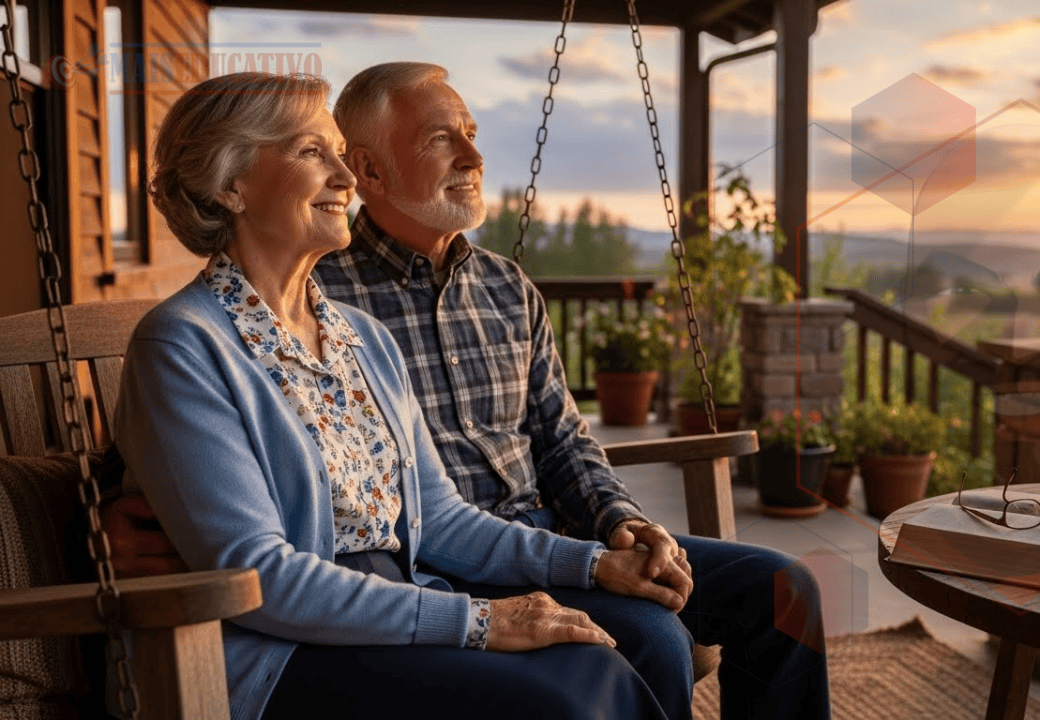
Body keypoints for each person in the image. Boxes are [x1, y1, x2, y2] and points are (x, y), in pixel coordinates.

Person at [110, 62, 830, 720]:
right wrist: (485, 620)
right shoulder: (186, 343)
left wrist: (601, 548)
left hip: (430, 585)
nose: (344, 177)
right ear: (231, 185)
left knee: (693, 626)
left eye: (337, 152)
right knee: (603, 674)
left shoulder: (358, 334)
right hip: (295, 644)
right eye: (311, 152)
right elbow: (251, 559)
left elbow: (459, 502)